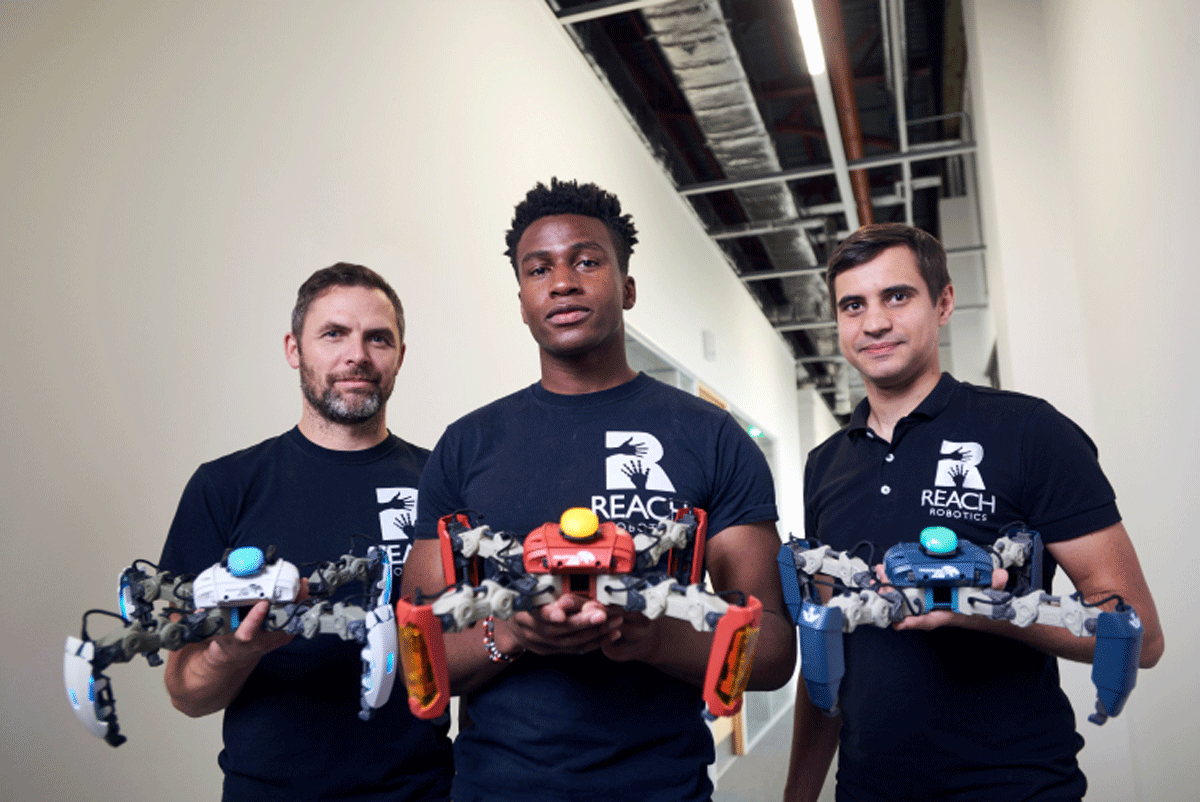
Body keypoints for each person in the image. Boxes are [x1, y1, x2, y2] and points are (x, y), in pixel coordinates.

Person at [401, 178, 796, 802]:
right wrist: (513, 633)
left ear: (628, 287)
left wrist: (651, 636)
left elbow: (772, 651)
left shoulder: (710, 437)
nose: (562, 282)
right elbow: (416, 658)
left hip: (664, 790)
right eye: (539, 269)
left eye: (586, 261)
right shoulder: (467, 445)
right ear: (523, 301)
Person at [783, 224, 1164, 802]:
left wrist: (981, 610)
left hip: (1018, 788)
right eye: (853, 305)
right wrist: (798, 794)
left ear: (943, 303)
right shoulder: (825, 465)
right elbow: (825, 642)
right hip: (866, 789)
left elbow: (1143, 635)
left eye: (897, 296)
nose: (874, 322)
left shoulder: (1029, 431)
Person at [159, 263, 453, 801]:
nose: (357, 355)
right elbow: (186, 693)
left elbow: (475, 653)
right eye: (334, 334)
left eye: (378, 338)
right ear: (294, 349)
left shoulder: (441, 484)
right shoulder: (225, 486)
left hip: (420, 791)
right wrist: (233, 652)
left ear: (400, 356)